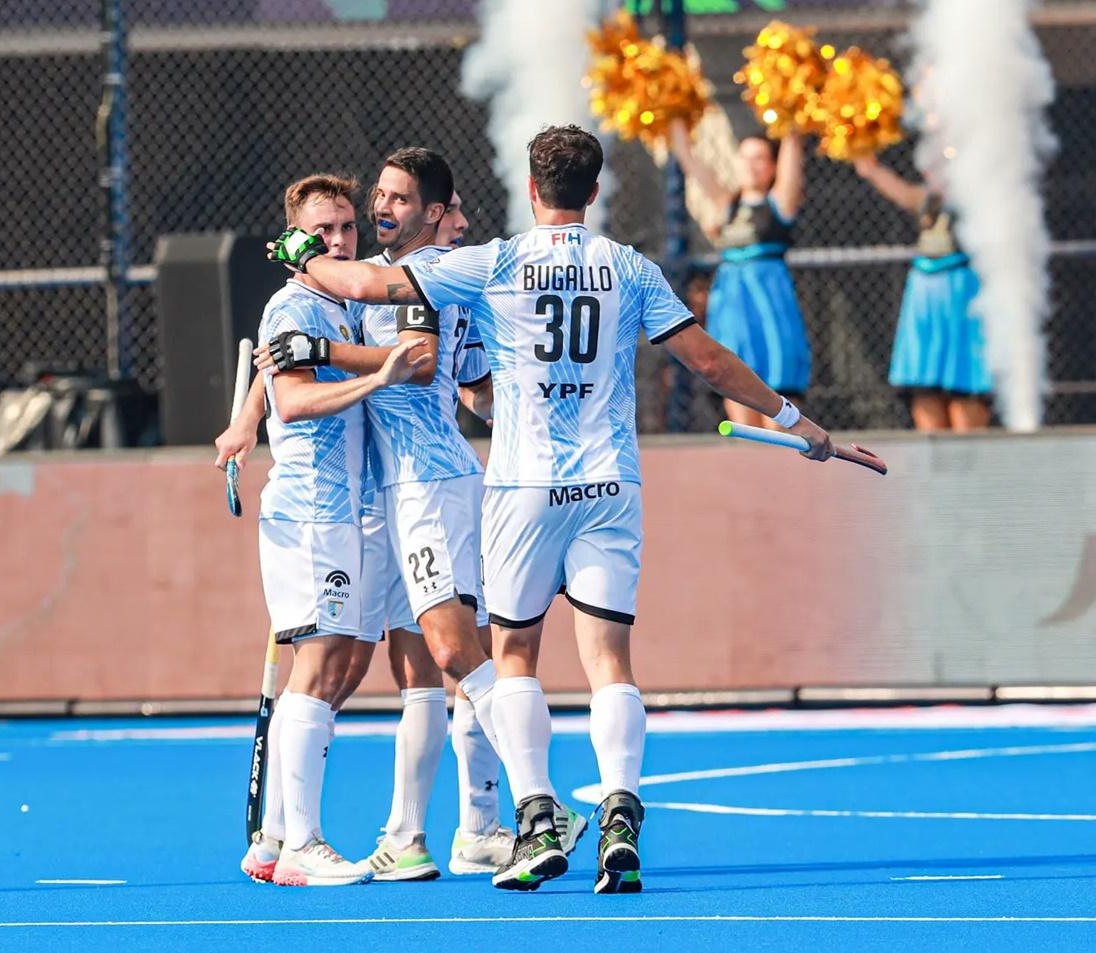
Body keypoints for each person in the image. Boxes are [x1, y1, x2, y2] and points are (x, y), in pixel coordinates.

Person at [265, 124, 835, 894]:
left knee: (504, 656)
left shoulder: (492, 263)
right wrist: (794, 421)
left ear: (530, 189)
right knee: (607, 661)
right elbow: (705, 358)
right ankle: (608, 813)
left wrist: (305, 258)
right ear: (595, 192)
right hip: (608, 483)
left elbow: (371, 294)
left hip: (511, 486)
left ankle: (528, 815)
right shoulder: (628, 267)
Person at [258, 151, 586, 877]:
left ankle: (541, 799)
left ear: (435, 215)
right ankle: (449, 831)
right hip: (402, 490)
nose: (382, 206)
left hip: (427, 485)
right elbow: (474, 386)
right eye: (379, 192)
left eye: (399, 198)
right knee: (423, 666)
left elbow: (419, 358)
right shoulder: (392, 273)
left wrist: (319, 341)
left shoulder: (424, 275)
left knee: (452, 650)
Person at [214, 173, 429, 887]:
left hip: (346, 509)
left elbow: (275, 378)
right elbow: (298, 401)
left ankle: (275, 835)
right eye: (325, 231)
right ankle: (302, 843)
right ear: (300, 241)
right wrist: (377, 378)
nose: (340, 240)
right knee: (319, 661)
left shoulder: (341, 300)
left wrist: (246, 417)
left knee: (337, 664)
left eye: (346, 228)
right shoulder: (293, 304)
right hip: (310, 511)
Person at [668, 119, 811, 428]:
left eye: (760, 158)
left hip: (769, 302)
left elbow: (792, 142)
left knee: (778, 395)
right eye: (745, 158)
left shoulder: (778, 203)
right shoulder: (726, 204)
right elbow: (690, 161)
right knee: (738, 395)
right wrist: (675, 116)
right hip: (732, 306)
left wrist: (790, 111)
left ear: (773, 166)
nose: (751, 166)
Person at [853, 154, 992, 431]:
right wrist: (870, 167)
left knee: (965, 387)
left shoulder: (980, 199)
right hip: (924, 300)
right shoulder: (928, 201)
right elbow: (905, 194)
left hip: (962, 301)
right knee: (925, 388)